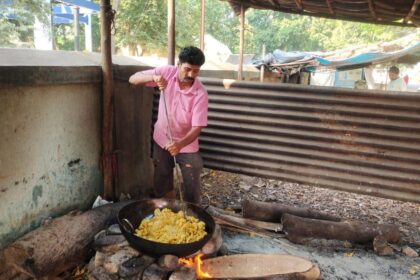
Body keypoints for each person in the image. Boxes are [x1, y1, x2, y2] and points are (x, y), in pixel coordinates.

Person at [129, 46, 207, 204]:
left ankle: (192, 208)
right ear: (178, 64)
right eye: (187, 69)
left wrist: (179, 144)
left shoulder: (201, 93)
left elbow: (197, 128)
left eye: (196, 71)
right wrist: (154, 78)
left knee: (193, 174)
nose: (191, 74)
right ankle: (166, 206)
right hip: (162, 138)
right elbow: (133, 78)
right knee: (162, 175)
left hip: (186, 144)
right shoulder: (166, 72)